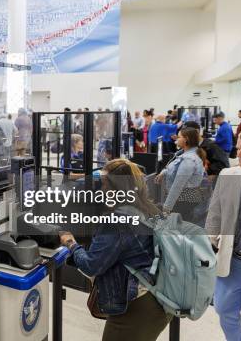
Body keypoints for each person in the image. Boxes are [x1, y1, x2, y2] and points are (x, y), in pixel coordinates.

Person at [59, 159, 171, 341]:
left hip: (137, 307)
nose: (102, 190)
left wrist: (70, 242)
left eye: (104, 185)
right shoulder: (147, 207)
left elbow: (91, 265)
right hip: (157, 299)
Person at [205, 127, 241, 341]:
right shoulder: (228, 174)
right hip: (233, 261)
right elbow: (215, 212)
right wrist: (210, 242)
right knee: (224, 311)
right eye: (238, 148)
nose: (239, 154)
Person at [155, 128, 206, 222]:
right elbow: (177, 169)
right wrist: (164, 172)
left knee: (176, 230)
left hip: (182, 200)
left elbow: (178, 185)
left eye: (179, 137)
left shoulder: (188, 159)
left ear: (186, 139)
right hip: (185, 199)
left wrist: (166, 208)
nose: (176, 139)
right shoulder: (188, 153)